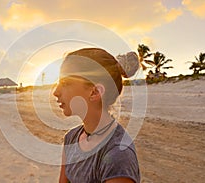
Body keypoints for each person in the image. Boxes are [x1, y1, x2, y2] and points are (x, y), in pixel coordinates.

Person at [53, 48, 141, 183]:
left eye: (65, 83)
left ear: (95, 92)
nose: (55, 91)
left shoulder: (118, 155)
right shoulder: (71, 138)